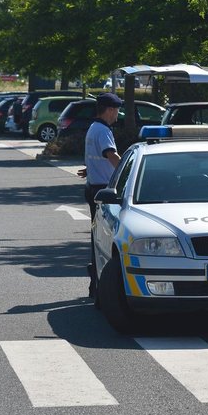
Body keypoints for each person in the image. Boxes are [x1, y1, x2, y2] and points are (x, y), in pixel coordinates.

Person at [77, 93, 123, 299]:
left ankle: (95, 283)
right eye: (116, 110)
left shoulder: (93, 128)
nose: (118, 114)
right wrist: (128, 171)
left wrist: (91, 169)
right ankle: (98, 283)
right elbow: (111, 155)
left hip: (93, 187)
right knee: (105, 239)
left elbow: (97, 157)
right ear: (109, 110)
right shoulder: (103, 131)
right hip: (103, 191)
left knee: (98, 237)